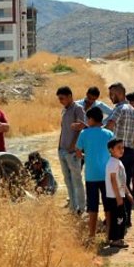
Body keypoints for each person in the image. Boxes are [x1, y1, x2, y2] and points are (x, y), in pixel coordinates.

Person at [76, 107, 114, 238]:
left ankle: (91, 234)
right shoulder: (109, 134)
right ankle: (109, 233)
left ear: (91, 119)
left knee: (92, 206)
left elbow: (78, 152)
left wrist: (86, 156)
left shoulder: (84, 133)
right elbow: (113, 151)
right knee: (108, 206)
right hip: (106, 175)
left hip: (91, 175)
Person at [105, 83, 134, 227]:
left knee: (115, 187)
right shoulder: (132, 109)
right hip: (129, 151)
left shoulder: (119, 109)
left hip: (118, 153)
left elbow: (109, 127)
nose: (110, 97)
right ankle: (126, 217)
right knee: (125, 184)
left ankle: (117, 218)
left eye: (111, 94)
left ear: (118, 94)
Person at [56, 86, 86, 215]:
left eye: (62, 98)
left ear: (69, 96)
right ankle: (73, 207)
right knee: (67, 180)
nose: (60, 101)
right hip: (62, 149)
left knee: (76, 179)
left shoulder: (78, 109)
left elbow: (82, 128)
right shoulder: (64, 110)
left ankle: (81, 207)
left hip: (72, 151)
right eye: (59, 99)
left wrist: (73, 146)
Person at [105, 139, 134, 248]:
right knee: (118, 218)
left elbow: (122, 180)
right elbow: (113, 180)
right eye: (118, 148)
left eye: (122, 148)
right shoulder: (112, 163)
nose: (122, 150)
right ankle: (115, 239)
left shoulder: (119, 162)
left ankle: (118, 238)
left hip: (120, 195)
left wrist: (127, 193)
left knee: (122, 217)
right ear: (111, 150)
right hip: (114, 197)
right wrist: (118, 197)